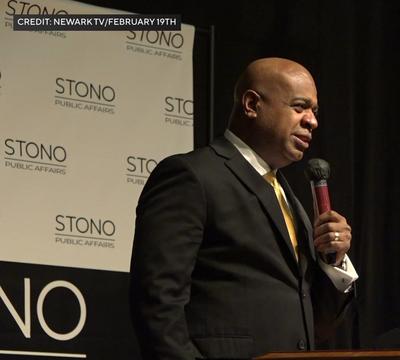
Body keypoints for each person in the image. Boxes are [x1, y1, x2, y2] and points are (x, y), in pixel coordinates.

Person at [129, 57, 358, 360]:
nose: (312, 121)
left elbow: (317, 323)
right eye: (300, 107)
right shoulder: (192, 177)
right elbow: (156, 302)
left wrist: (334, 261)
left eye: (314, 111)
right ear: (251, 104)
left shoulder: (287, 197)